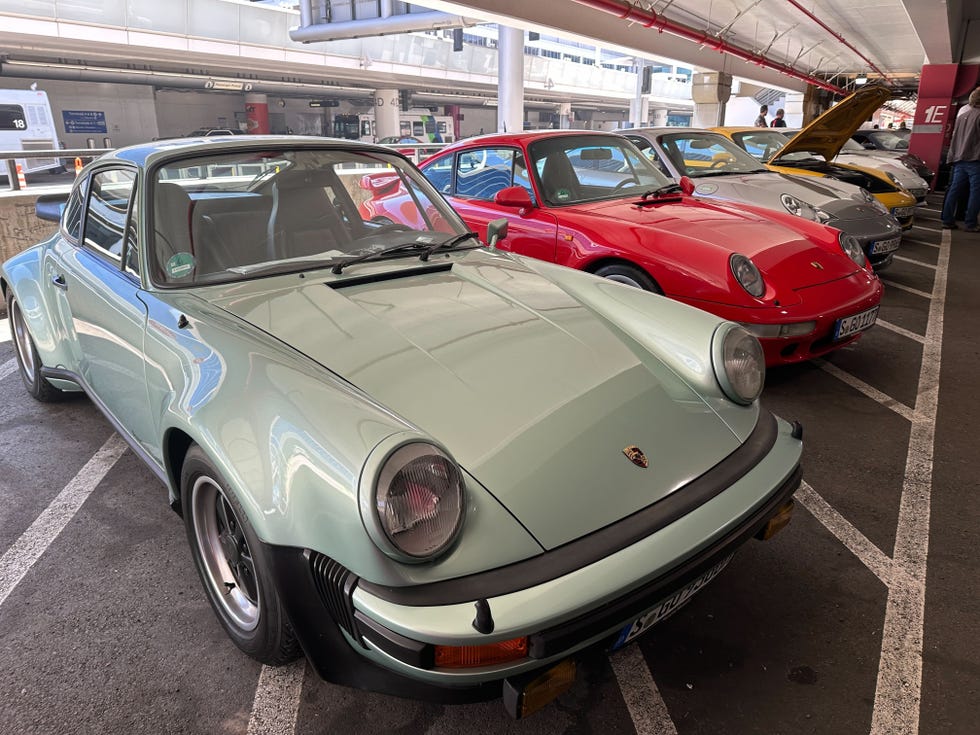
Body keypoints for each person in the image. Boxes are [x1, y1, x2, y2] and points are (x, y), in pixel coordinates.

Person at [941, 86, 980, 232]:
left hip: (959, 159)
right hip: (975, 159)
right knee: (976, 192)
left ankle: (947, 220)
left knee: (954, 190)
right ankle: (970, 223)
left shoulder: (963, 115)